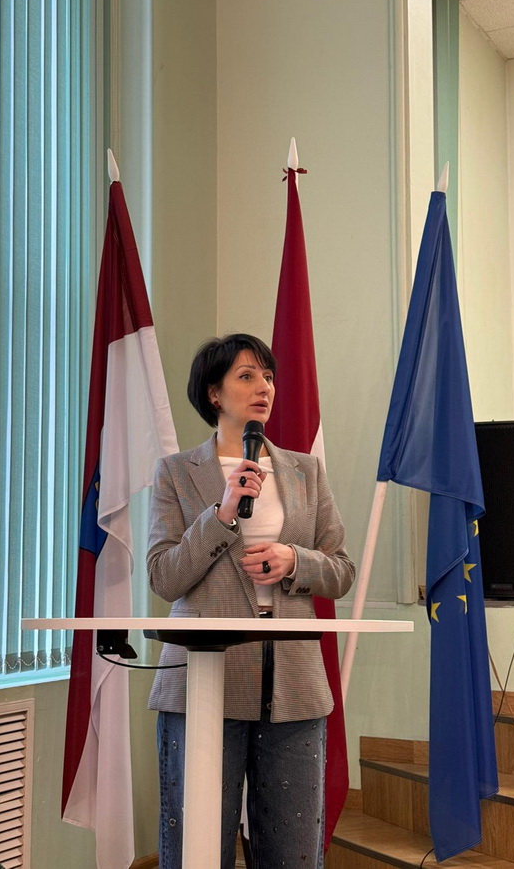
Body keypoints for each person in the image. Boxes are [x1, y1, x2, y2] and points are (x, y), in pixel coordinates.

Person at [147, 332, 355, 869]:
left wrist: (295, 560)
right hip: (203, 683)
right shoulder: (176, 472)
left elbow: (341, 571)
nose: (264, 386)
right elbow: (164, 577)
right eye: (246, 376)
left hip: (293, 684)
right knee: (196, 852)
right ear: (213, 393)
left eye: (268, 376)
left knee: (293, 854)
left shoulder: (305, 471)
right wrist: (221, 514)